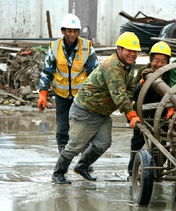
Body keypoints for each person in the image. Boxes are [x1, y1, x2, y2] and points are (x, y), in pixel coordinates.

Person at [51, 31, 142, 184]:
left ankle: (82, 166)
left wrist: (138, 88)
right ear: (119, 49)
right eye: (129, 50)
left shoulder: (128, 67)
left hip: (102, 112)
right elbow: (118, 94)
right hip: (85, 110)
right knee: (75, 146)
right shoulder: (111, 66)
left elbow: (129, 91)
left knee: (103, 143)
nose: (132, 54)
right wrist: (132, 115)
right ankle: (58, 172)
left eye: (135, 51)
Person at [37, 13, 99, 153]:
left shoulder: (87, 47)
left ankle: (84, 163)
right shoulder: (54, 47)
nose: (72, 34)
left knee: (84, 129)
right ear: (63, 31)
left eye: (75, 31)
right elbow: (47, 71)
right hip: (62, 95)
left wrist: (96, 95)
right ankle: (63, 159)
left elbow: (96, 73)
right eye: (69, 31)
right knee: (62, 129)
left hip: (82, 97)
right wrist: (43, 93)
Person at [127, 41, 171, 176]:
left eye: (163, 61)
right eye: (156, 60)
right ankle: (132, 171)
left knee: (162, 143)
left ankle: (157, 171)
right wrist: (132, 115)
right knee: (138, 142)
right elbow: (132, 92)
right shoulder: (142, 72)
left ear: (168, 63)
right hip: (143, 113)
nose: (159, 64)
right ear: (151, 60)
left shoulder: (170, 74)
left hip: (163, 114)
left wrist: (171, 111)